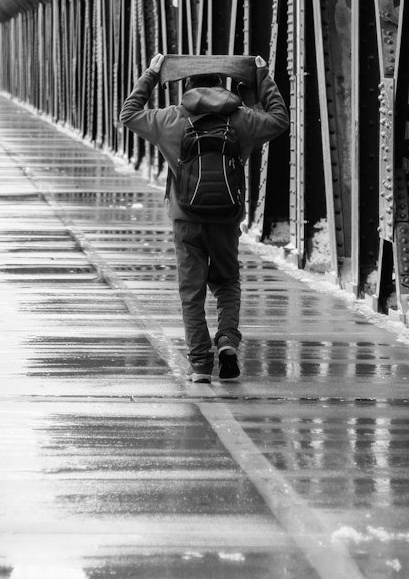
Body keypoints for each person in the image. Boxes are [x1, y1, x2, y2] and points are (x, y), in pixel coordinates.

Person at [120, 53, 289, 383]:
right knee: (227, 283)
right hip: (226, 218)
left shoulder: (170, 119)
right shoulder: (241, 119)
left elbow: (129, 114)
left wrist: (152, 74)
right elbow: (280, 119)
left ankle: (200, 365)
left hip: (186, 218)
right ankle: (226, 339)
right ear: (222, 86)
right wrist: (263, 76)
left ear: (187, 86)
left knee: (191, 292)